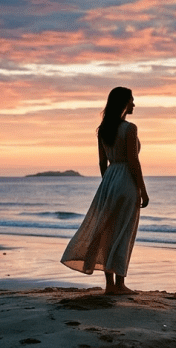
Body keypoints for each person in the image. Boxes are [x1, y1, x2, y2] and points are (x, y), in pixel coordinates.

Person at [61, 87, 149, 295]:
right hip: (126, 179)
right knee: (124, 230)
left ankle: (110, 284)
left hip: (109, 180)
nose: (134, 104)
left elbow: (102, 162)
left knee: (108, 231)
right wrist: (142, 190)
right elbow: (133, 161)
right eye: (132, 101)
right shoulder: (129, 128)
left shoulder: (103, 129)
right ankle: (119, 284)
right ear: (124, 103)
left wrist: (108, 183)